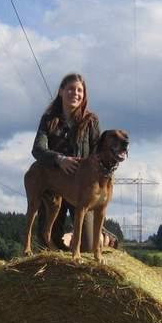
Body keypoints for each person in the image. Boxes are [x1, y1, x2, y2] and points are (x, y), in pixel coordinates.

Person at [31, 72, 100, 251]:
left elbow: (98, 154)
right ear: (61, 91)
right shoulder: (48, 120)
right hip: (53, 187)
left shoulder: (91, 121)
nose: (75, 93)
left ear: (84, 95)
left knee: (87, 246)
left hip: (82, 189)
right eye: (70, 89)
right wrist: (59, 159)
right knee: (46, 242)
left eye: (79, 90)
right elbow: (37, 150)